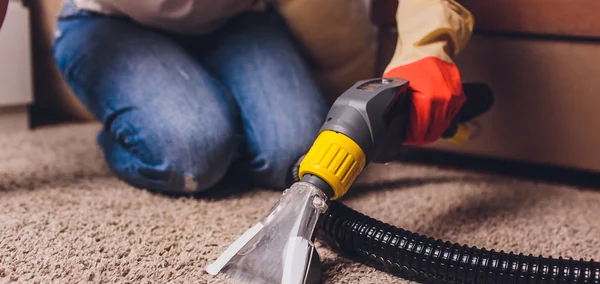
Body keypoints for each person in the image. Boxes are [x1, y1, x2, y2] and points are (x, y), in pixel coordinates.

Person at [52, 0, 473, 194]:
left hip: (237, 18)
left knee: (289, 158)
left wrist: (425, 48)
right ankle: (129, 131)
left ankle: (201, 106)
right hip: (110, 22)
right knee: (193, 155)